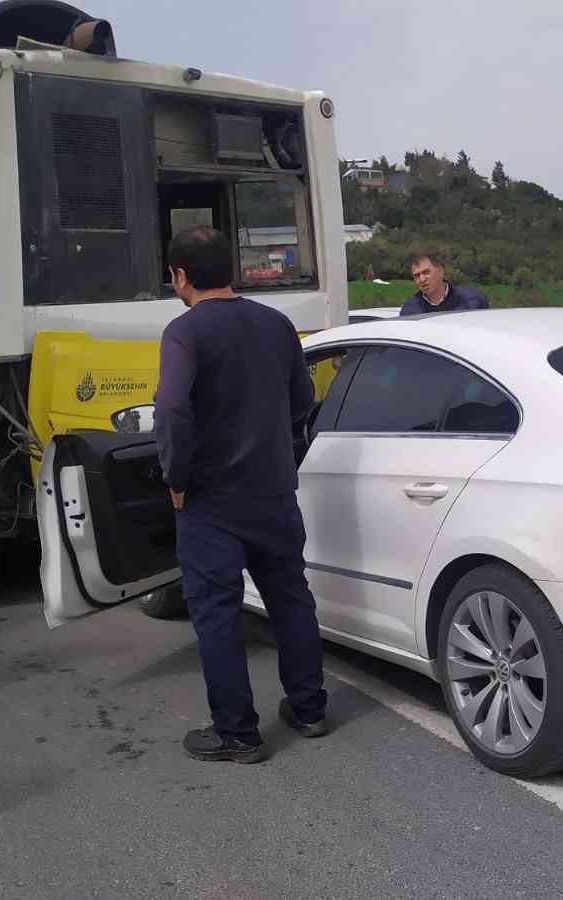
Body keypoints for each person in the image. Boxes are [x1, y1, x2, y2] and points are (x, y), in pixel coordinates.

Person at [153, 225, 329, 764]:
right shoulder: (278, 325)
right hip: (274, 492)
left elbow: (173, 412)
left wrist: (176, 479)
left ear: (180, 277)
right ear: (233, 271)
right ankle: (309, 709)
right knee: (291, 599)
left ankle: (238, 734)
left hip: (212, 501)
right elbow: (302, 400)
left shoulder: (184, 334)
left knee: (217, 614)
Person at [399, 252, 489, 316]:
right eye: (417, 276)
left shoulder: (473, 299)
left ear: (441, 271)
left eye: (426, 272)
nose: (422, 279)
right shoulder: (410, 311)